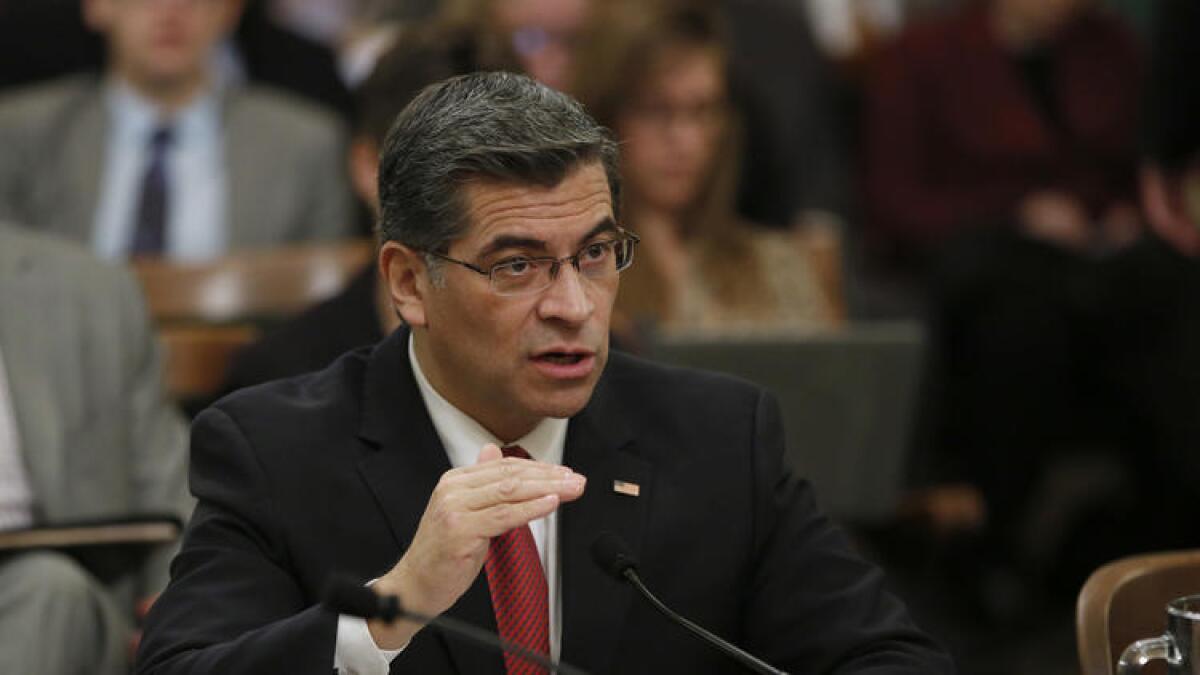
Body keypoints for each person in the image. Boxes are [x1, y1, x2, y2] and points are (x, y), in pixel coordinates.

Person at [135, 71, 952, 674]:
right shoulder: (275, 449)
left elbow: (888, 659)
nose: (573, 305)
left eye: (595, 254)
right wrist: (388, 609)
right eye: (517, 265)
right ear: (411, 282)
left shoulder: (717, 436)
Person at [0, 0, 353, 262]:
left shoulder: (306, 144)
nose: (170, 11)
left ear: (231, 10)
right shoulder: (21, 134)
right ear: (98, 5)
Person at [572, 0, 839, 338]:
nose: (686, 140)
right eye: (657, 111)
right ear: (606, 117)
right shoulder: (575, 274)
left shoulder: (781, 266)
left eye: (702, 111)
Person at [0, 224, 191, 675]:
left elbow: (172, 488)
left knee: (48, 590)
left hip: (55, 599)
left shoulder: (89, 291)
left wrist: (185, 611)